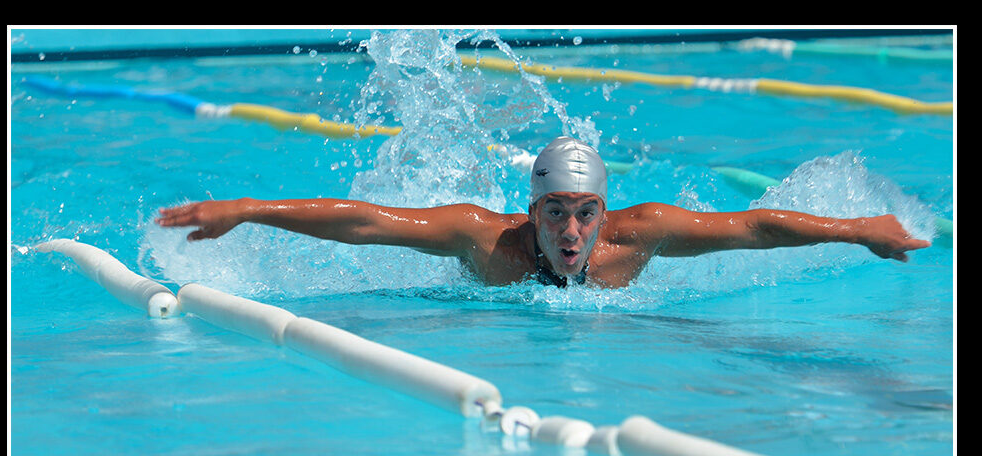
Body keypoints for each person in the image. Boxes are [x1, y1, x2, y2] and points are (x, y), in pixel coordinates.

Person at [156, 137, 931, 289]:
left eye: (585, 213)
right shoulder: (481, 238)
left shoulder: (640, 235)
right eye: (553, 213)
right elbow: (365, 219)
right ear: (529, 209)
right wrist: (251, 209)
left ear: (606, 210)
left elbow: (753, 228)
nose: (569, 232)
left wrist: (858, 231)